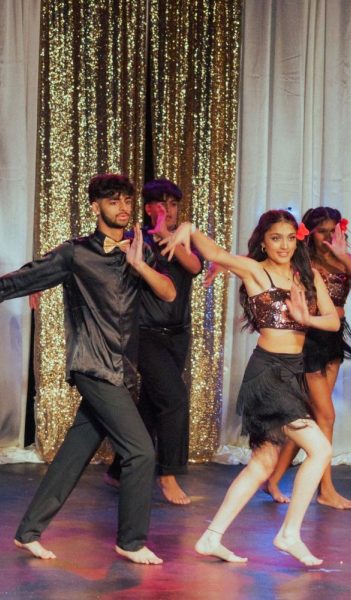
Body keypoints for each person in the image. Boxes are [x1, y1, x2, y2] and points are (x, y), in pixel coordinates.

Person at [0, 174, 175, 565]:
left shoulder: (139, 250)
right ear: (96, 207)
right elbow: (19, 279)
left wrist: (139, 265)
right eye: (113, 201)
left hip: (123, 369)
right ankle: (131, 541)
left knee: (73, 456)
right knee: (141, 452)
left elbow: (168, 292)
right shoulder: (75, 253)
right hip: (93, 367)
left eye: (126, 200)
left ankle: (29, 531)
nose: (123, 208)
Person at [162, 209, 340, 566]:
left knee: (262, 462)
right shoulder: (255, 270)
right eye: (276, 238)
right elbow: (215, 255)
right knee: (319, 449)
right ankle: (289, 534)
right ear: (264, 240)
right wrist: (190, 228)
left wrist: (307, 318)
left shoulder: (307, 275)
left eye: (291, 238)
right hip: (267, 373)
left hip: (292, 372)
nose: (284, 245)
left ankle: (212, 537)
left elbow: (333, 322)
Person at [263, 207, 351, 508]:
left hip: (333, 340)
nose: (329, 235)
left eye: (334, 229)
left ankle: (273, 479)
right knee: (326, 416)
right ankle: (325, 490)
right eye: (323, 230)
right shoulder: (303, 262)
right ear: (310, 233)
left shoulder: (344, 260)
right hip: (308, 341)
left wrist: (344, 255)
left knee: (311, 417)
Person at [105, 178, 201, 505]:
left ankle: (120, 468)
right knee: (174, 399)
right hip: (144, 334)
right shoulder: (135, 238)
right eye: (162, 205)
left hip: (178, 335)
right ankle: (168, 475)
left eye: (174, 205)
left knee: (150, 404)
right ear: (148, 208)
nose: (169, 211)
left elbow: (194, 266)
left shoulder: (183, 241)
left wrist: (168, 235)